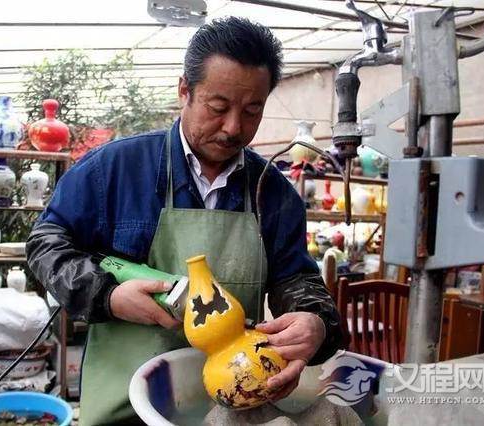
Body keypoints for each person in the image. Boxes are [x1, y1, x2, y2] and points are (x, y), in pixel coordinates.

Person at [27, 16, 343, 425]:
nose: (233, 127)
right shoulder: (115, 170)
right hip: (122, 407)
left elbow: (297, 280)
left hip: (229, 407)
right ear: (184, 91)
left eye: (252, 111)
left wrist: (314, 324)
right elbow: (45, 244)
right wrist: (107, 295)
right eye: (218, 107)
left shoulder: (274, 194)